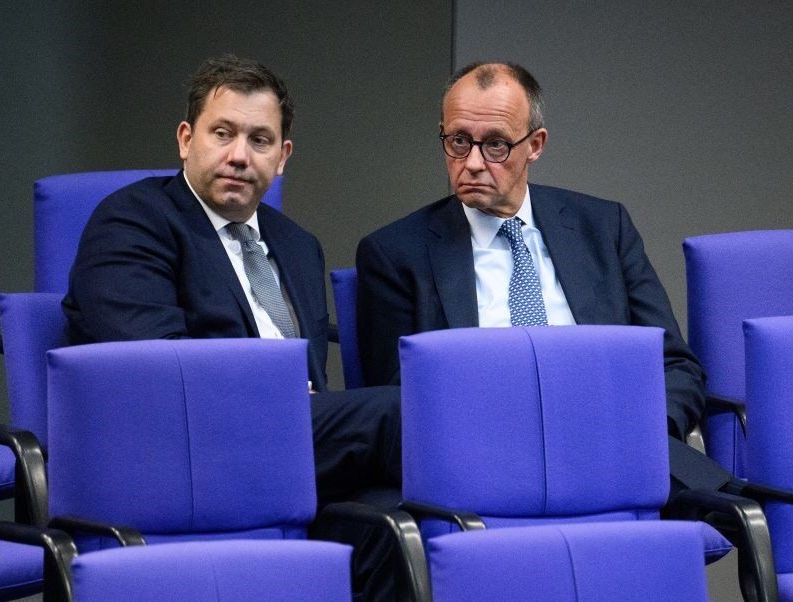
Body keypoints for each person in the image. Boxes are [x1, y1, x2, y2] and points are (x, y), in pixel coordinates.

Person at [62, 55, 401, 599]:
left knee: (391, 521)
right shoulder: (133, 220)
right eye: (223, 133)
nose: (239, 155)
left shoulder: (296, 244)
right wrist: (274, 388)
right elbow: (157, 370)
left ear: (283, 156)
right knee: (405, 410)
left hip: (286, 453)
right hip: (183, 448)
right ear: (185, 138)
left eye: (260, 140)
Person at [356, 61, 730, 490]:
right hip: (486, 464)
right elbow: (399, 403)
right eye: (458, 141)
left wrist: (644, 431)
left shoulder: (603, 227)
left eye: (496, 145)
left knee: (749, 512)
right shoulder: (395, 254)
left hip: (615, 452)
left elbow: (674, 364)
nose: (472, 163)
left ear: (535, 145)